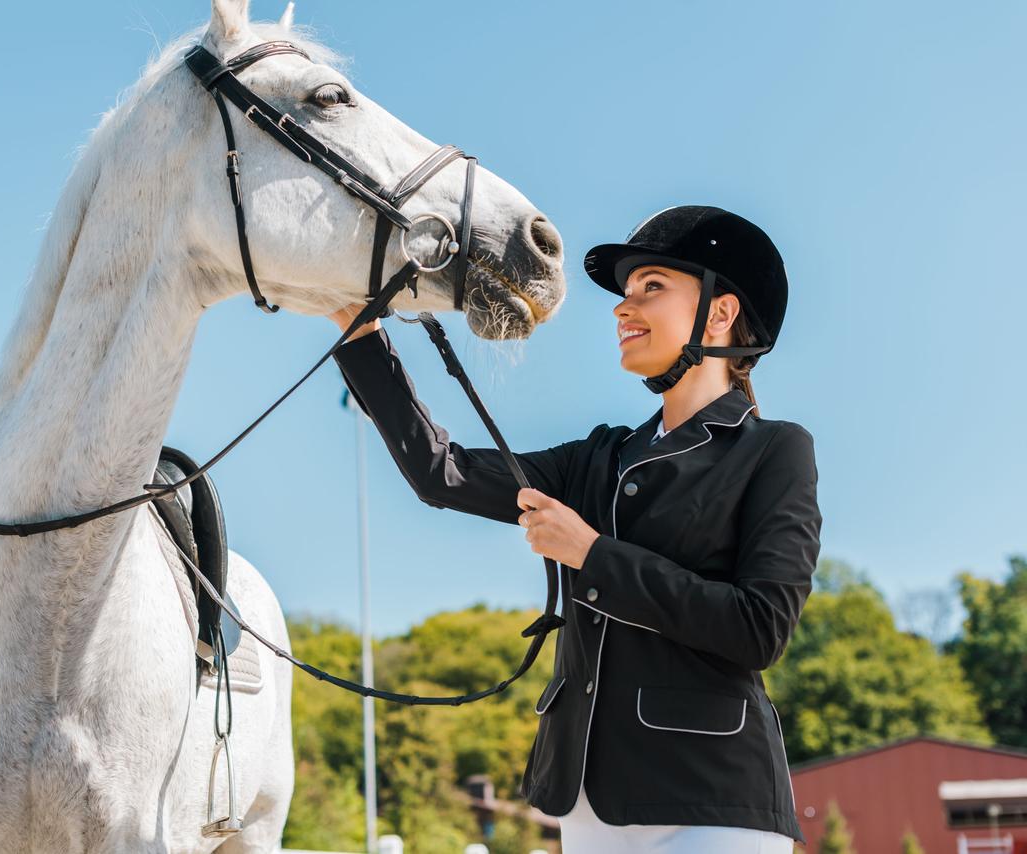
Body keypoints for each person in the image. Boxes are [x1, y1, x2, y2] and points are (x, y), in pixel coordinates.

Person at [327, 205, 820, 853]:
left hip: (714, 797)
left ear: (721, 313)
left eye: (652, 287)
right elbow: (440, 473)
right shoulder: (596, 457)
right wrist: (358, 334)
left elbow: (758, 630)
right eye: (625, 292)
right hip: (583, 801)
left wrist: (591, 553)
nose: (623, 307)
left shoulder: (775, 450)